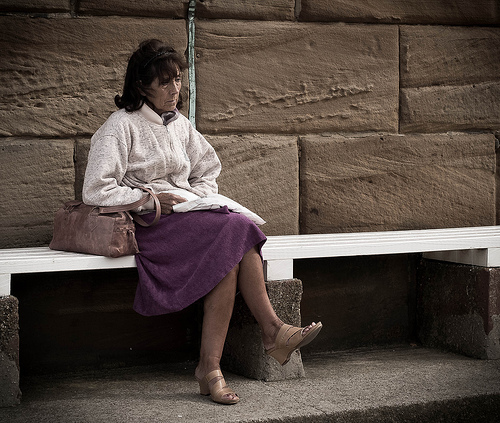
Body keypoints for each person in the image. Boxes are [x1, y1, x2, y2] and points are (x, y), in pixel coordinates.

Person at [82, 39, 322, 405]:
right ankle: (271, 332)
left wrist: (197, 198)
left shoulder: (180, 125)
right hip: (151, 226)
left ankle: (211, 369)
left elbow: (207, 168)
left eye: (178, 79)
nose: (175, 89)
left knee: (229, 249)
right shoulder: (120, 126)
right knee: (237, 231)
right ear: (141, 86)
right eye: (164, 82)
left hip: (189, 220)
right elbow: (95, 190)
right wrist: (149, 200)